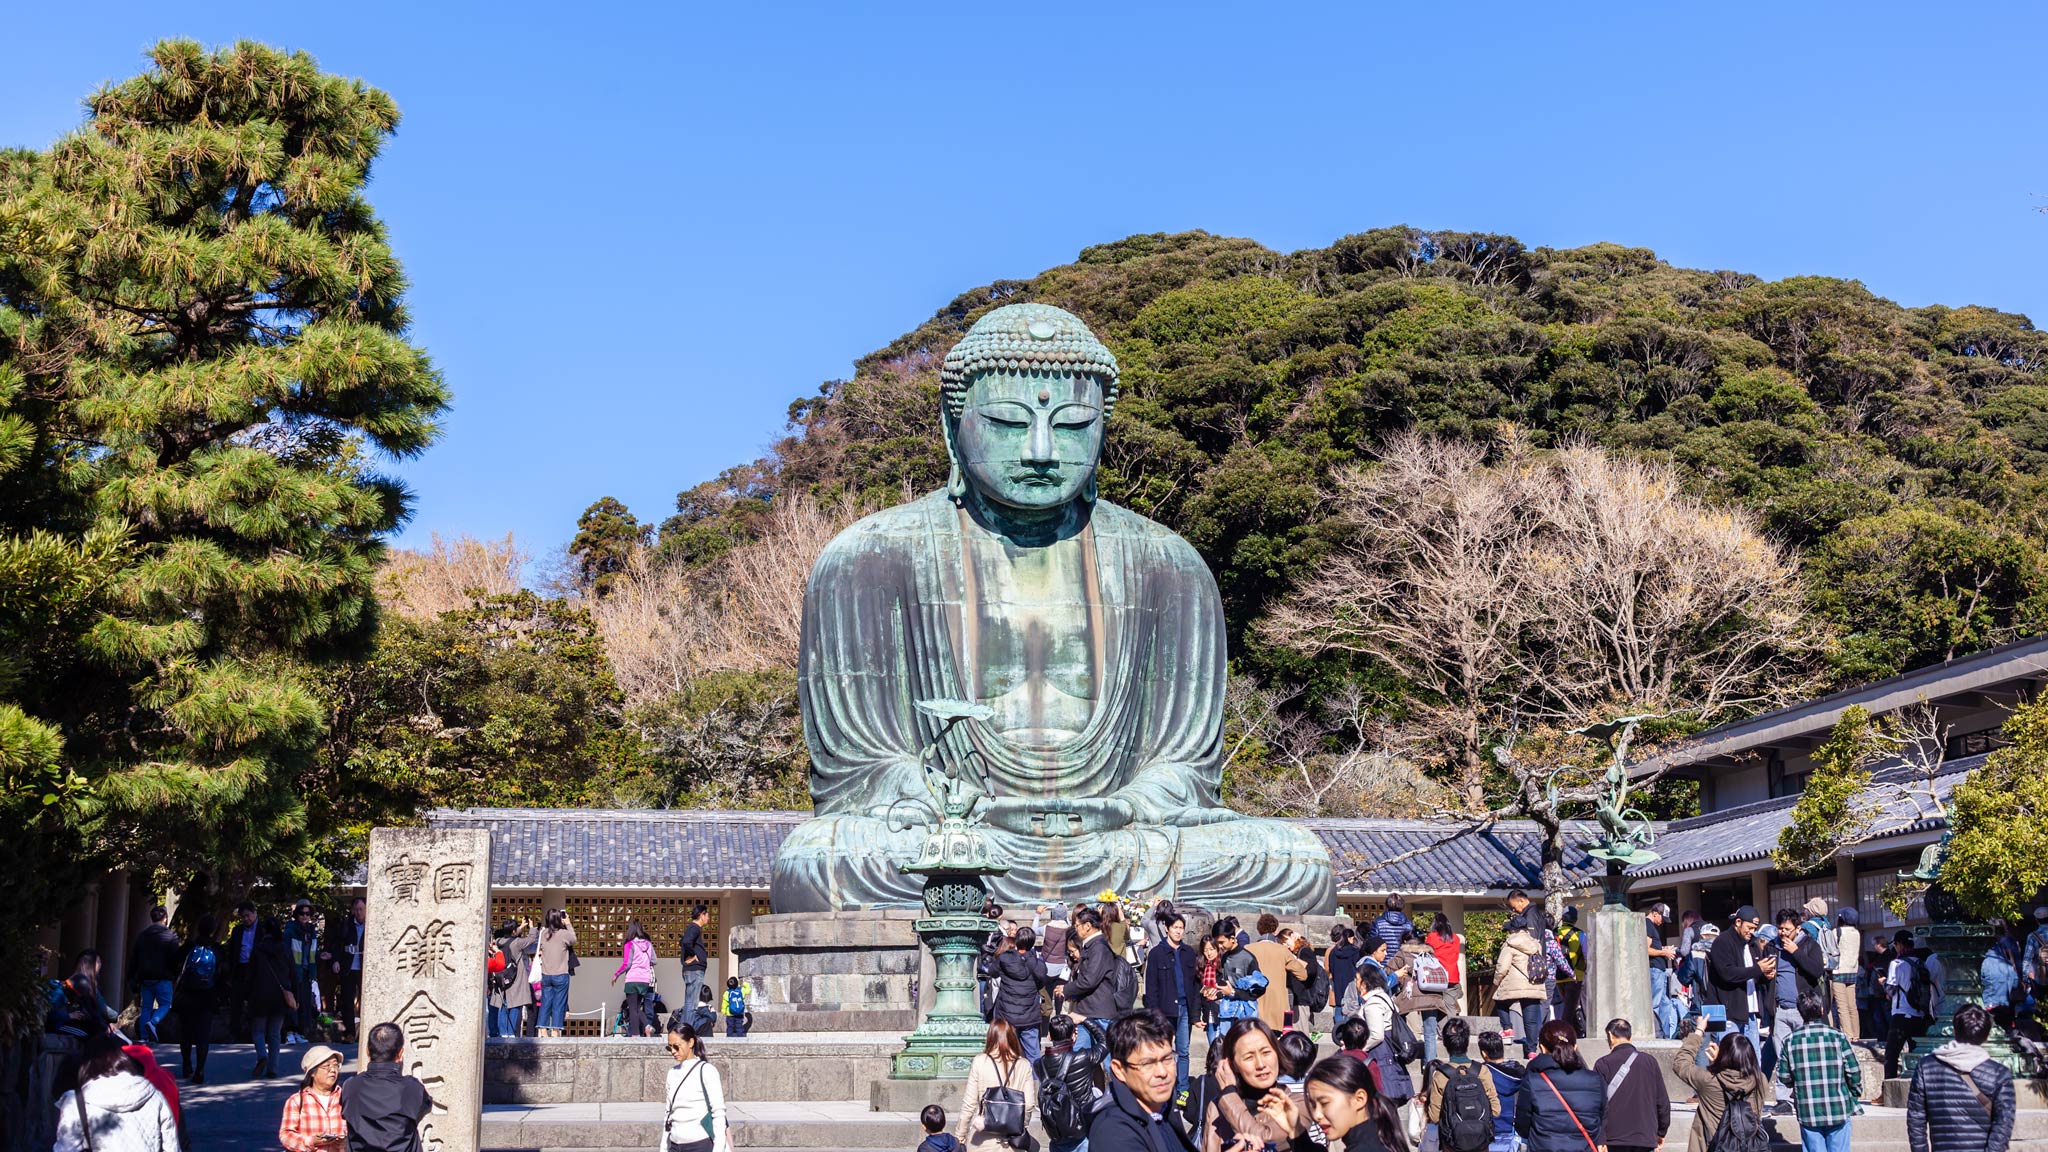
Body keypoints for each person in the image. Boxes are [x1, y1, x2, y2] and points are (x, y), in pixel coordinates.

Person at [1906, 1004, 2016, 1152]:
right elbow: (2003, 1124)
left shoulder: (1926, 1067)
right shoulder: (1999, 1073)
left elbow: (1916, 1120)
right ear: (1987, 1035)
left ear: (1955, 1030)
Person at [1088, 1011, 1201, 1152]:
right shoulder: (1113, 1131)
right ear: (1119, 1070)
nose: (1162, 1072)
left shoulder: (1164, 1106)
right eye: (1147, 1064)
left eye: (1167, 1059)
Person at [53, 1035, 179, 1152]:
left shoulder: (76, 1101)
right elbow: (171, 1147)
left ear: (86, 1065)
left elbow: (66, 1148)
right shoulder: (153, 1095)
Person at [1197, 1019, 1305, 1152]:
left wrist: (1228, 1094)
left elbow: (1263, 1139)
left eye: (1266, 1052)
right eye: (1249, 1057)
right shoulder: (1217, 1107)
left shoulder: (1295, 1103)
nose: (1260, 1064)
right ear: (1232, 1065)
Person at [1774, 991, 1861, 1152]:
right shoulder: (1838, 1037)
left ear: (1800, 1012)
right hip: (1838, 1107)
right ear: (1822, 1010)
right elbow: (1854, 1072)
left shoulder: (1790, 1041)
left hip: (1808, 1110)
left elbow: (1784, 1077)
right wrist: (1854, 1093)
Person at [1672, 1022, 1771, 1152]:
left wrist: (1699, 1031)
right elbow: (1735, 1079)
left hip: (1712, 1145)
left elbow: (1680, 1064)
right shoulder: (1760, 1080)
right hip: (1748, 1146)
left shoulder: (1708, 1080)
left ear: (1724, 1055)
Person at [343, 1022, 433, 1152]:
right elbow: (424, 1107)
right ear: (400, 1053)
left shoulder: (351, 1086)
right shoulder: (411, 1088)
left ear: (368, 1051)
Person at [1514, 1020, 1603, 1152]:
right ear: (1576, 1047)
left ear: (1542, 1048)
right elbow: (1600, 1119)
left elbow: (1522, 1126)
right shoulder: (1596, 1080)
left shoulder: (1533, 1081)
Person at [1143, 912, 1199, 1105]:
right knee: (1164, 1051)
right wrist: (1154, 1014)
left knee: (1183, 1050)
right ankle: (1164, 1087)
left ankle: (1183, 1089)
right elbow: (1151, 988)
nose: (1178, 931)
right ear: (1167, 928)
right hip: (1164, 1010)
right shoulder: (1157, 954)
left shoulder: (1189, 953)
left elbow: (1195, 984)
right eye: (1175, 927)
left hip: (1184, 1007)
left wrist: (1195, 1013)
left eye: (1181, 928)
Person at [1706, 906, 1776, 1056]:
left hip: (1750, 1012)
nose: (1751, 932)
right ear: (1738, 922)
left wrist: (1765, 975)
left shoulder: (1752, 945)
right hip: (1728, 1012)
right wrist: (1758, 969)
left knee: (1754, 1059)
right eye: (1749, 927)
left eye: (1754, 928)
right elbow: (1727, 973)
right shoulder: (1722, 942)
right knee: (1730, 1058)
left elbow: (1754, 974)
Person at [958, 1018, 1038, 1149]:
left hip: (982, 1140)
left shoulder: (980, 1061)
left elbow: (969, 1104)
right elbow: (1029, 1104)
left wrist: (960, 1134)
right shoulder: (1023, 1065)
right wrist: (1019, 1127)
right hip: (1012, 1142)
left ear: (990, 1037)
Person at [1304, 1052, 1405, 1152]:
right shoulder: (1378, 1140)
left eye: (1324, 1103)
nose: (1317, 1115)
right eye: (1313, 1105)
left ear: (1359, 1099)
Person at [1592, 1019, 1667, 1152]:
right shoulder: (1650, 1062)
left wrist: (1600, 1137)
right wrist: (1661, 1131)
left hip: (1614, 1139)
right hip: (1645, 1137)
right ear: (1630, 1037)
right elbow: (1662, 1102)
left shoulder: (1602, 1064)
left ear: (1610, 1036)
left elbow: (1597, 1105)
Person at [1425, 1018, 1498, 1152]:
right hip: (1481, 1143)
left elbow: (1434, 1116)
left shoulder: (1441, 1075)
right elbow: (1496, 1110)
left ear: (1445, 1044)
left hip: (1452, 1144)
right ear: (1468, 1042)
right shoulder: (1482, 1071)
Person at [1357, 947, 1414, 1118]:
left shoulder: (1373, 1003)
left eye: (1357, 978)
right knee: (1388, 1110)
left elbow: (1376, 1034)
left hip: (1382, 1056)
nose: (1355, 982)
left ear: (1365, 982)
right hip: (1390, 1056)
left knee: (1383, 1107)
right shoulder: (1384, 997)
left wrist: (1359, 1049)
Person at [1037, 1015, 1106, 1152]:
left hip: (1057, 1130)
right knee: (1098, 1094)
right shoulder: (1084, 1058)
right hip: (1083, 1125)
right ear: (1074, 1036)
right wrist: (1085, 1020)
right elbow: (1104, 1041)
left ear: (1049, 1036)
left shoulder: (1039, 1065)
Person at [663, 1021, 729, 1152]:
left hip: (700, 1144)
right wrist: (664, 1148)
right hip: (675, 1144)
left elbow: (719, 1112)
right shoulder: (672, 1073)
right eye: (669, 1047)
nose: (673, 1051)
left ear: (691, 1043)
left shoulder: (707, 1071)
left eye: (676, 1046)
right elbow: (668, 1114)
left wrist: (718, 1148)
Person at [244, 915, 296, 1078]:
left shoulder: (258, 949)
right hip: (280, 996)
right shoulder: (285, 949)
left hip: (259, 995)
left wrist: (246, 995)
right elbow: (293, 973)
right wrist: (295, 994)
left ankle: (262, 1055)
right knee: (274, 1033)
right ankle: (273, 1068)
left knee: (258, 1030)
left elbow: (250, 975)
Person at [1060, 906, 1122, 1041]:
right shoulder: (1092, 945)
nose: (1075, 929)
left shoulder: (1098, 947)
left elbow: (1089, 980)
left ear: (1087, 926)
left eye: (1077, 925)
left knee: (1106, 1059)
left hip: (1099, 1013)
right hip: (1086, 1010)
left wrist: (1066, 989)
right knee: (1081, 1057)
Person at [174, 913, 220, 1083]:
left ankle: (186, 1063)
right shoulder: (216, 949)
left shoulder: (189, 947)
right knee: (203, 1035)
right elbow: (223, 972)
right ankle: (200, 1069)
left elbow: (174, 962)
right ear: (213, 930)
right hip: (207, 996)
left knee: (185, 1033)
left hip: (187, 994)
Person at [1492, 916, 1547, 1058]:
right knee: (1531, 1021)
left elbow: (1502, 967)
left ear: (1513, 929)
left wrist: (1497, 981)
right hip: (1533, 984)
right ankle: (1532, 1051)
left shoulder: (1509, 945)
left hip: (1514, 984)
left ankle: (1507, 1028)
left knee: (1499, 1000)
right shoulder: (1536, 944)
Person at [994, 926, 1051, 1062]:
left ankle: (1007, 1081)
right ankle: (1035, 1082)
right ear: (1032, 943)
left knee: (1005, 1054)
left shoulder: (1005, 958)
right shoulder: (1037, 963)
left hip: (1007, 1015)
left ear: (1017, 940)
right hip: (1029, 1016)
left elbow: (992, 971)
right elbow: (1043, 977)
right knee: (1033, 1055)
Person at [279, 1044, 348, 1152]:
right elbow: (286, 1135)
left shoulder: (345, 1098)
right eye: (326, 1066)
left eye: (335, 1065)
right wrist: (311, 1141)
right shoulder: (296, 1101)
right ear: (312, 1073)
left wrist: (346, 1141)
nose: (333, 1070)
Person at [1884, 931, 1932, 1079]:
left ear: (1899, 944)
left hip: (1901, 1013)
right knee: (1915, 1053)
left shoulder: (1897, 964)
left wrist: (1883, 984)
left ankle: (1888, 1087)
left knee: (1891, 1053)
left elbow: (1890, 991)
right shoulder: (1921, 962)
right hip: (1920, 1014)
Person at [130, 905, 180, 1043]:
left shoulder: (142, 936)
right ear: (165, 919)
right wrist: (175, 974)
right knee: (165, 1004)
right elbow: (175, 959)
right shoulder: (170, 936)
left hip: (145, 978)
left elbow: (134, 958)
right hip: (163, 977)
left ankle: (144, 1037)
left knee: (146, 1007)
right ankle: (154, 1021)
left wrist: (132, 977)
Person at [1247, 917, 1307, 1031]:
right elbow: (1302, 974)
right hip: (1279, 1007)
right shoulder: (1282, 950)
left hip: (1254, 1005)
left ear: (1259, 930)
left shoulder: (1248, 949)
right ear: (1275, 931)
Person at [319, 897, 365, 1041]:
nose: (358, 912)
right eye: (356, 909)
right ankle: (350, 1033)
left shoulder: (373, 925)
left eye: (361, 909)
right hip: (348, 967)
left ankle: (368, 1032)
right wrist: (336, 960)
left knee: (367, 1000)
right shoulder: (346, 925)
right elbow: (337, 945)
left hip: (366, 968)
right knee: (347, 1000)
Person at [611, 917, 658, 1038]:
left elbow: (627, 964)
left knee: (632, 1009)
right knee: (637, 1007)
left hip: (632, 979)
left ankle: (635, 1034)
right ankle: (647, 1026)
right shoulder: (648, 944)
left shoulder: (629, 944)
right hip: (645, 980)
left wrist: (616, 974)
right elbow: (654, 960)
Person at [1476, 1031, 1523, 1152]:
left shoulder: (1482, 1074)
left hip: (1489, 1134)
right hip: (1514, 1134)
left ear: (1484, 1053)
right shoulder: (1520, 1072)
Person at [284, 901, 322, 1042]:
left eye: (308, 913)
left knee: (304, 1003)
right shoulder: (290, 930)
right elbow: (286, 951)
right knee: (292, 1003)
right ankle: (289, 1032)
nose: (305, 916)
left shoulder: (311, 931)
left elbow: (312, 952)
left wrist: (320, 956)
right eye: (302, 913)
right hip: (293, 971)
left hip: (307, 971)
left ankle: (299, 1032)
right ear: (296, 914)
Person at [536, 908, 576, 1038]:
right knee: (559, 1003)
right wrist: (568, 923)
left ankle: (542, 1029)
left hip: (546, 974)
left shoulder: (543, 933)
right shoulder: (564, 933)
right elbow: (574, 939)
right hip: (561, 974)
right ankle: (555, 1030)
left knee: (545, 1002)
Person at [60, 949, 119, 1037]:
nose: (100, 965)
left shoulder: (80, 980)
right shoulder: (83, 983)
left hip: (77, 1022)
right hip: (68, 1023)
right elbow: (101, 1009)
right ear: (90, 964)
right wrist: (118, 1019)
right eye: (98, 962)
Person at [1643, 903, 1678, 1040]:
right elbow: (1646, 949)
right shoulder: (1647, 924)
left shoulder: (1651, 926)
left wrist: (1664, 949)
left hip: (1659, 971)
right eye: (1662, 918)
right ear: (1655, 913)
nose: (1662, 921)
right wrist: (1664, 952)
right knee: (1656, 1004)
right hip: (1654, 970)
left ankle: (1665, 1035)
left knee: (1665, 1004)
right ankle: (1656, 1034)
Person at [1829, 907, 1862, 1041]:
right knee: (1852, 1005)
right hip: (1852, 970)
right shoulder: (1856, 933)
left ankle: (1847, 1034)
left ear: (1841, 918)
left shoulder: (1836, 931)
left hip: (1838, 971)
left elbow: (1831, 950)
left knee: (1841, 1006)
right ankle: (1856, 1034)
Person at [1551, 908, 1584, 1039]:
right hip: (1576, 975)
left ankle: (1578, 1031)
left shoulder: (1554, 933)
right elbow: (1586, 954)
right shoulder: (1579, 934)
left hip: (1558, 976)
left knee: (1569, 1004)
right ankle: (1563, 1034)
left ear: (1563, 918)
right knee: (1570, 1007)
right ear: (1575, 919)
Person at [1327, 928, 1363, 1022]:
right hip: (1352, 982)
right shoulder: (1355, 951)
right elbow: (1359, 967)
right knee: (1352, 1006)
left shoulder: (1334, 951)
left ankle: (1339, 1030)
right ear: (1350, 938)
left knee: (1339, 1005)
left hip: (1338, 982)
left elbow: (1331, 968)